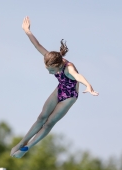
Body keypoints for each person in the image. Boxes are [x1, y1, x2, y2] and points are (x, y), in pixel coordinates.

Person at [10, 16, 99, 158]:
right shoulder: (51, 58)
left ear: (58, 66)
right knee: (41, 117)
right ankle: (22, 142)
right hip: (60, 89)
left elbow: (78, 76)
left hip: (69, 96)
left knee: (49, 123)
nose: (50, 72)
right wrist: (27, 31)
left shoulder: (68, 68)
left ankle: (27, 147)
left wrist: (89, 86)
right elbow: (37, 45)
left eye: (52, 71)